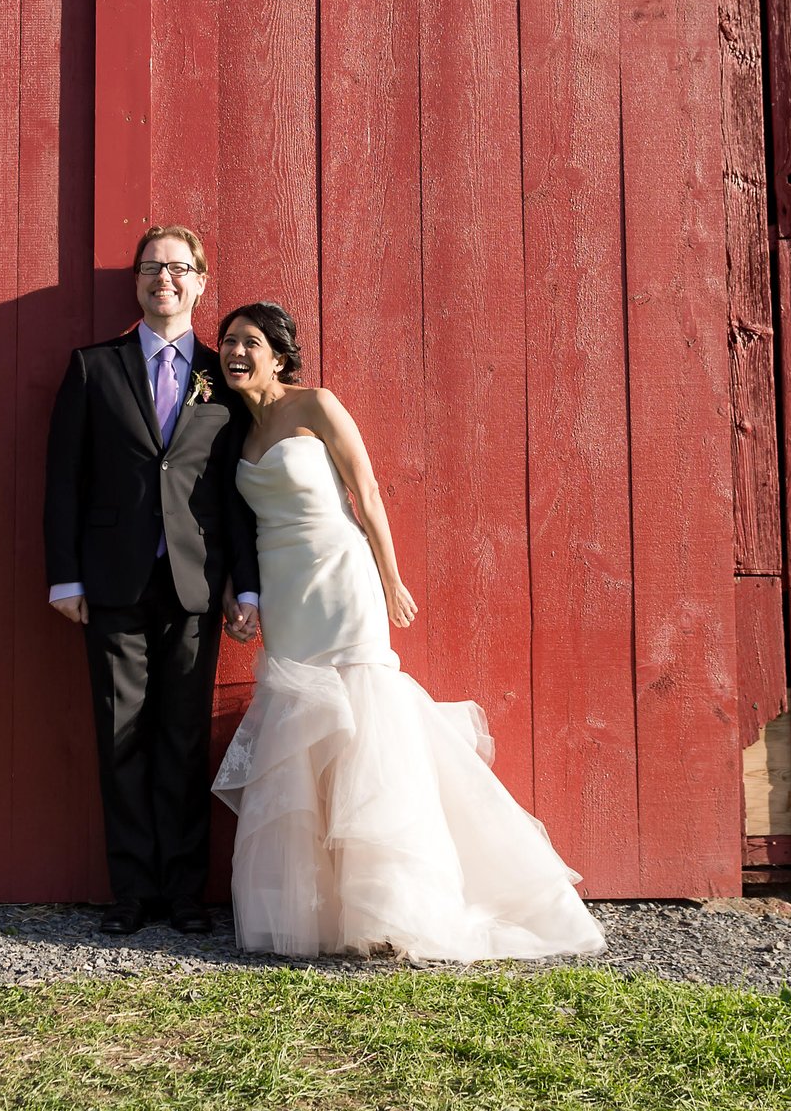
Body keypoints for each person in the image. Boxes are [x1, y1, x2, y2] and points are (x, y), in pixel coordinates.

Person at [208, 300, 607, 962]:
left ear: (278, 355)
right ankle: (320, 910)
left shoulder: (318, 405)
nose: (236, 352)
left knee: (368, 725)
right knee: (303, 731)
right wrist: (237, 596)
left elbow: (366, 491)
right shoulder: (238, 436)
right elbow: (237, 529)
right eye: (227, 343)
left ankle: (390, 909)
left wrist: (390, 578)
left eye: (250, 342)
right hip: (285, 593)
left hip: (341, 577)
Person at [44, 225, 261, 935]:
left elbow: (236, 493)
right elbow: (63, 485)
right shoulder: (90, 368)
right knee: (122, 735)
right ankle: (132, 892)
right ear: (136, 283)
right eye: (150, 267)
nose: (162, 278)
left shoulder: (221, 374)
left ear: (199, 281)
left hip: (197, 588)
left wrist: (246, 586)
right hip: (111, 583)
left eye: (177, 267)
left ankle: (185, 893)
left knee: (182, 739)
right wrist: (65, 578)